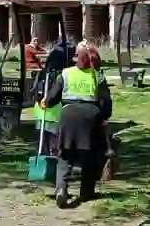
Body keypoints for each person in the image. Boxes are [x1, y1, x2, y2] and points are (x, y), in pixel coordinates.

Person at [41, 42, 112, 208]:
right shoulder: (97, 76)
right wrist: (104, 116)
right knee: (90, 155)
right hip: (90, 116)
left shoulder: (66, 74)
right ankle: (86, 191)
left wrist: (46, 102)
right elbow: (105, 102)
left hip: (68, 115)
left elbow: (52, 97)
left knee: (64, 154)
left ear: (76, 59)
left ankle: (61, 188)